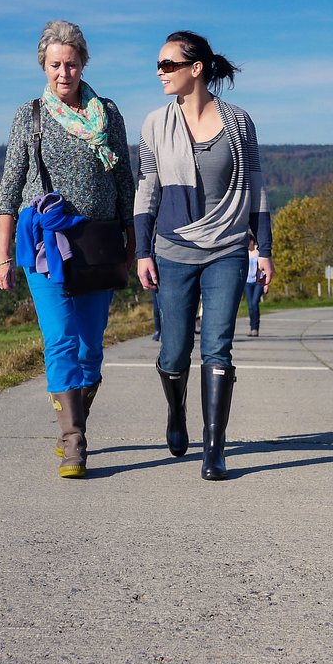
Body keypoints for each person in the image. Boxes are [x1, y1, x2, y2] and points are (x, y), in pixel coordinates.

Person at [0, 20, 136, 479]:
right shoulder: (29, 115)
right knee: (59, 341)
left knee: (89, 349)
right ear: (44, 65)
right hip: (44, 247)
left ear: (83, 64)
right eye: (55, 64)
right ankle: (74, 443)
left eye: (71, 63)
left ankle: (73, 419)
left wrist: (135, 245)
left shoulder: (108, 114)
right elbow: (10, 189)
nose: (64, 72)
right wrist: (1, 255)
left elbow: (124, 183)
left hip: (98, 245)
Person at [134, 30, 273, 480]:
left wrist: (264, 249)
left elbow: (255, 186)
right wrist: (142, 251)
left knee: (217, 346)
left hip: (228, 248)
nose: (160, 72)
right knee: (174, 353)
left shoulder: (239, 123)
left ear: (196, 69)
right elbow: (147, 189)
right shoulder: (155, 123)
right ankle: (177, 414)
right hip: (173, 249)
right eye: (158, 65)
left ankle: (215, 448)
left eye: (168, 65)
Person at [244, 235, 263, 337]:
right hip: (247, 282)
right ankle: (252, 327)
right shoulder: (245, 253)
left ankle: (255, 328)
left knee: (254, 303)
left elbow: (263, 268)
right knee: (250, 305)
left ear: (252, 241)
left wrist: (266, 284)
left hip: (258, 282)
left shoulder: (258, 252)